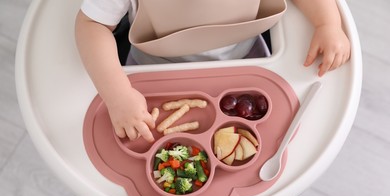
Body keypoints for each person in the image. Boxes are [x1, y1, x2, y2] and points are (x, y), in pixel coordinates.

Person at [75, 0, 351, 143]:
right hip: (155, 72)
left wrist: (328, 24)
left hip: (245, 62)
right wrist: (117, 94)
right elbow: (91, 24)